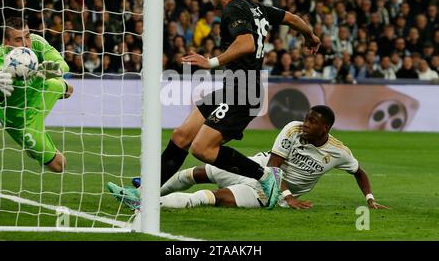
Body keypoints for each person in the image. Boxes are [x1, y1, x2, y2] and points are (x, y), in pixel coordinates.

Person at [107, 0, 320, 209]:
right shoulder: (254, 7)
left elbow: (247, 43)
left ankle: (265, 176)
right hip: (232, 88)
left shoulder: (233, 10)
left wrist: (211, 62)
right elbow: (292, 18)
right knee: (181, 135)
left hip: (244, 91)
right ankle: (143, 194)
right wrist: (310, 35)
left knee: (203, 149)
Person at [123, 105, 388, 210]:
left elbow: (358, 171)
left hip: (267, 193)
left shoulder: (338, 152)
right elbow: (272, 168)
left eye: (312, 121)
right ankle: (144, 193)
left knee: (206, 198)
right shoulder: (293, 129)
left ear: (325, 128)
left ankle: (148, 206)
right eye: (307, 118)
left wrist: (369, 198)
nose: (305, 123)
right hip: (259, 170)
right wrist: (289, 197)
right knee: (195, 173)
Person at [0, 17, 73, 172]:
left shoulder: (36, 42)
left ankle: (35, 144)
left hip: (38, 90)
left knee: (69, 89)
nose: (26, 43)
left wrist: (52, 70)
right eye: (18, 39)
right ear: (6, 42)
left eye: (27, 36)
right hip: (19, 117)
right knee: (59, 165)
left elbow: (64, 65)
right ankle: (32, 146)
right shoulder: (6, 57)